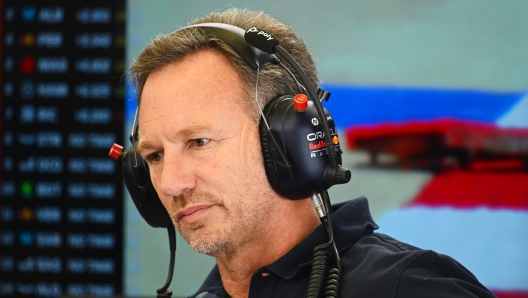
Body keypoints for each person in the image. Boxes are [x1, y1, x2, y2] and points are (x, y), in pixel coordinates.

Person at [128, 8, 496, 298]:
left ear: (291, 139)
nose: (172, 183)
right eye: (155, 156)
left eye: (198, 142)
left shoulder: (416, 288)